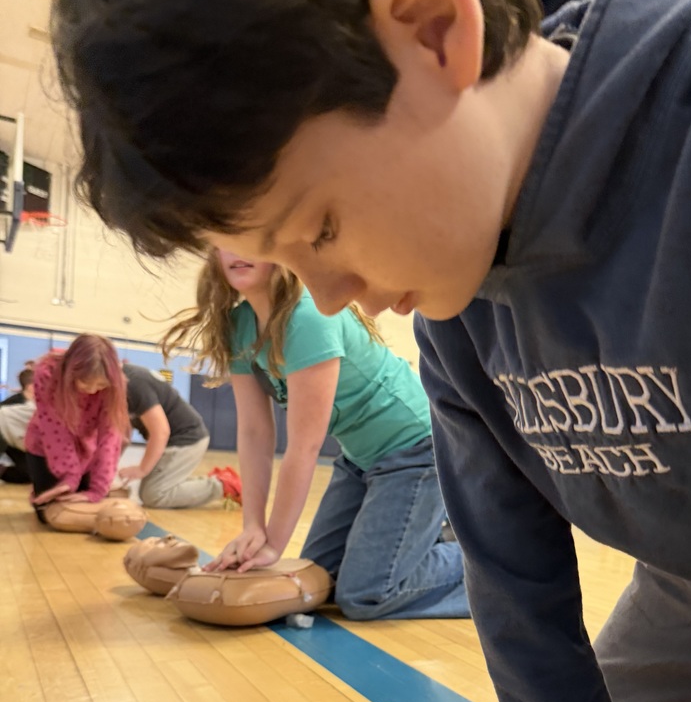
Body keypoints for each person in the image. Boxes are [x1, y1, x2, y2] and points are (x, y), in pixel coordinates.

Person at [50, 0, 691, 702]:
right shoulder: (455, 306)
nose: (332, 296)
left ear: (436, 31)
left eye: (323, 226)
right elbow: (514, 585)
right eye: (293, 263)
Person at [161, 249, 469, 621]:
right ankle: (423, 536)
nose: (238, 252)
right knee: (322, 578)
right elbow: (256, 432)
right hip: (359, 459)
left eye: (251, 242)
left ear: (281, 250)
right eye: (227, 242)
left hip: (416, 451)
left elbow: (304, 448)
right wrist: (253, 528)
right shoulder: (239, 325)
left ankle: (488, 563)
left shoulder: (307, 316)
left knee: (366, 595)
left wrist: (274, 545)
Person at [25, 333, 128, 516]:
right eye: (86, 383)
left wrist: (99, 489)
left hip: (85, 450)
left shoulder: (115, 384)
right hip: (46, 447)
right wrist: (69, 477)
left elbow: (110, 437)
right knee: (51, 512)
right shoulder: (48, 373)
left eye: (100, 385)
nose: (93, 390)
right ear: (72, 372)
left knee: (88, 507)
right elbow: (54, 429)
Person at [119, 362, 240, 507]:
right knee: (149, 491)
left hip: (186, 439)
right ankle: (214, 481)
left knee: (155, 495)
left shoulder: (134, 383)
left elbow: (161, 432)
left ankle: (223, 485)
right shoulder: (125, 380)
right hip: (176, 439)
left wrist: (142, 469)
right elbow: (123, 431)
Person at [0, 367, 36, 483]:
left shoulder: (38, 402)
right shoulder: (10, 405)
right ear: (31, 386)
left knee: (31, 473)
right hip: (10, 440)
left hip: (24, 442)